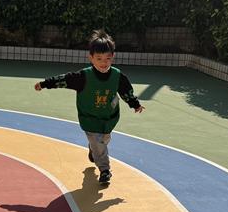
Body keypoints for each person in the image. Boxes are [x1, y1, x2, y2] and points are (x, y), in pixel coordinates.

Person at [34, 30, 145, 186]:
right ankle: (105, 170)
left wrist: (135, 104)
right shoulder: (83, 77)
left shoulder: (117, 76)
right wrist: (45, 83)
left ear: (112, 57)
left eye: (107, 58)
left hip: (109, 118)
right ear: (91, 58)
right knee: (98, 143)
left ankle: (93, 150)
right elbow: (64, 80)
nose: (103, 62)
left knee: (103, 141)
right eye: (99, 59)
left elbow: (126, 91)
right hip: (90, 118)